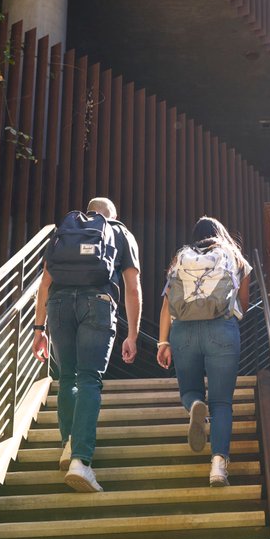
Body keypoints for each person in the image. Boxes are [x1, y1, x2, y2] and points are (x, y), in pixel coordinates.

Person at [33, 197, 141, 493]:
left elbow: (45, 282)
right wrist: (132, 334)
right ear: (112, 215)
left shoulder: (63, 232)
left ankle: (69, 443)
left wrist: (38, 329)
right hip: (98, 302)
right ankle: (81, 460)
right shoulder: (119, 232)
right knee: (89, 379)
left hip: (58, 304)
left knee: (67, 377)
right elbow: (133, 287)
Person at [156, 216, 251, 487]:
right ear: (221, 232)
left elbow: (167, 304)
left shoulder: (180, 259)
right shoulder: (235, 257)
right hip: (221, 330)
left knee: (190, 391)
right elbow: (242, 305)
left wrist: (163, 343)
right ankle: (218, 467)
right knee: (222, 402)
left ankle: (196, 407)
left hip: (183, 331)